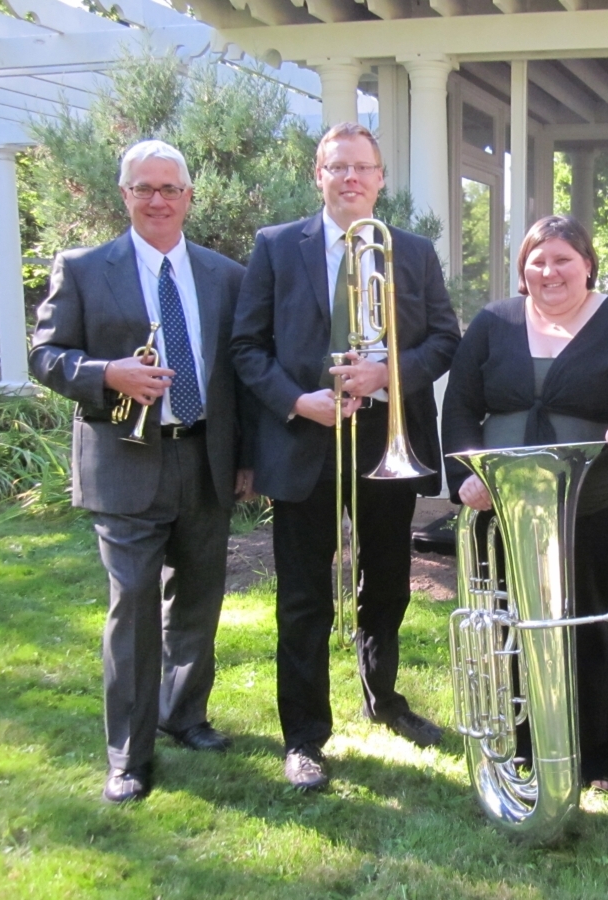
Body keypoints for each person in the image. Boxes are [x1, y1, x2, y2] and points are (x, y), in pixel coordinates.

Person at [231, 122, 461, 791]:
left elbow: (444, 338)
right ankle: (304, 736)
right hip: (305, 441)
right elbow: (247, 347)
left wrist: (387, 372)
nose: (351, 178)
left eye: (363, 167)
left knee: (386, 586)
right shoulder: (276, 247)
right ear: (318, 174)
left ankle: (383, 700)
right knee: (303, 600)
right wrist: (298, 402)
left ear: (380, 178)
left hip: (384, 441)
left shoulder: (412, 251)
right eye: (338, 167)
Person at [29, 139, 252, 803]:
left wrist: (243, 459)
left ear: (189, 197)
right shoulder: (83, 268)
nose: (158, 200)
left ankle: (184, 714)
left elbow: (236, 373)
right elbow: (46, 356)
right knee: (132, 606)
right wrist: (106, 374)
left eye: (170, 188)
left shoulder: (224, 274)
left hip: (205, 455)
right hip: (124, 460)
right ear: (124, 195)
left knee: (199, 598)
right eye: (144, 188)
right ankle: (128, 754)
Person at [441, 215, 608, 791]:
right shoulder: (495, 322)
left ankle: (598, 757)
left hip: (596, 502)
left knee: (590, 621)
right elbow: (461, 407)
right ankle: (522, 743)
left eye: (563, 259)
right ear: (523, 270)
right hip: (504, 506)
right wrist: (465, 475)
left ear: (588, 263)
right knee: (513, 622)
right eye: (537, 261)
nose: (550, 271)